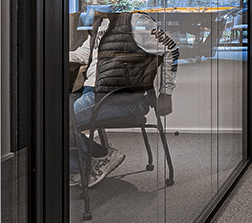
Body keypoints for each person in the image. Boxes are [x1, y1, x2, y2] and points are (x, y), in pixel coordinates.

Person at [69, 11, 179, 187]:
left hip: (122, 99)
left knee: (59, 121)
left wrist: (166, 93)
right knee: (50, 112)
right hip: (94, 93)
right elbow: (83, 53)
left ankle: (86, 163)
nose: (90, 4)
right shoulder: (101, 24)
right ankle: (96, 158)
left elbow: (171, 48)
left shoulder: (137, 21)